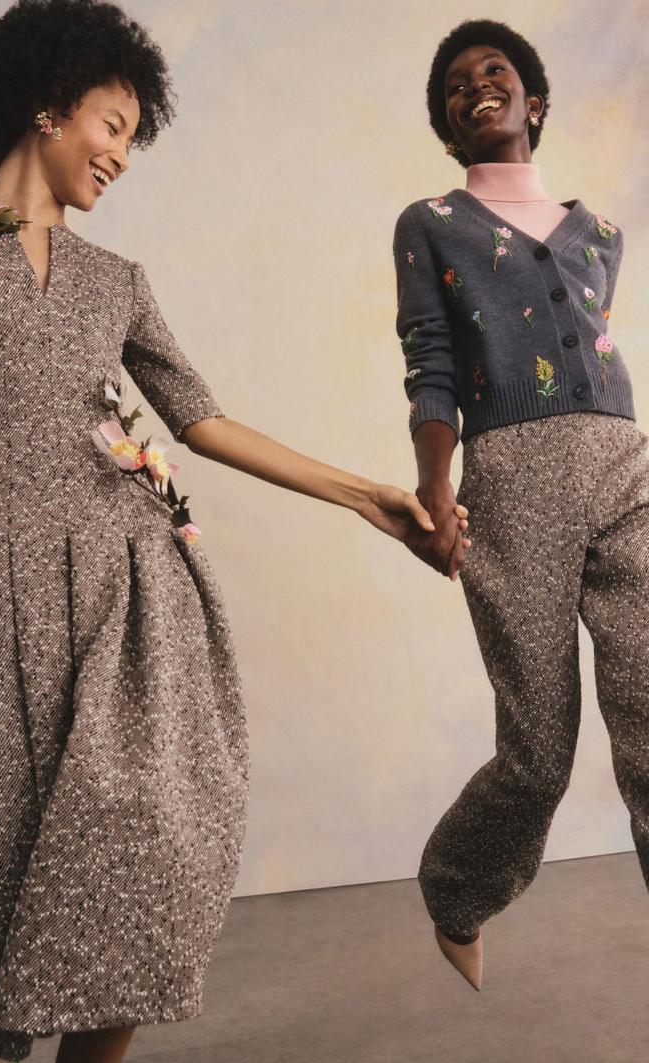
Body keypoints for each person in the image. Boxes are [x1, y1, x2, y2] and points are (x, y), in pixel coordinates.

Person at [0, 2, 470, 1061]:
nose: (122, 155)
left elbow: (202, 420)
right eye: (114, 125)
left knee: (138, 859)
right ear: (49, 106)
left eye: (134, 137)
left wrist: (364, 495)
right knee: (2, 891)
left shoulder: (117, 280)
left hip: (126, 593)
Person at [395, 17, 649, 992]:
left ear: (532, 100)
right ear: (447, 127)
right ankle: (457, 887)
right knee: (539, 752)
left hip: (624, 465)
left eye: (492, 71)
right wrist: (435, 482)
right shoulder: (429, 221)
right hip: (511, 477)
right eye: (454, 86)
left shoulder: (602, 234)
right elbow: (431, 360)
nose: (474, 87)